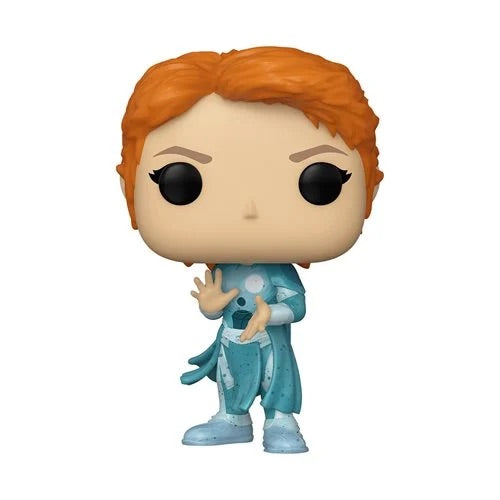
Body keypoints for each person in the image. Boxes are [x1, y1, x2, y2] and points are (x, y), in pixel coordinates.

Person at [116, 46, 383, 453]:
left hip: (270, 342)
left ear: (369, 189)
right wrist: (210, 305)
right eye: (181, 181)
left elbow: (298, 306)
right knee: (231, 378)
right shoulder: (225, 270)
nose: (250, 210)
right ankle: (232, 417)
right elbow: (215, 308)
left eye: (320, 182)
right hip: (232, 341)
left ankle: (281, 421)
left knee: (278, 378)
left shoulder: (279, 273)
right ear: (129, 188)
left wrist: (270, 314)